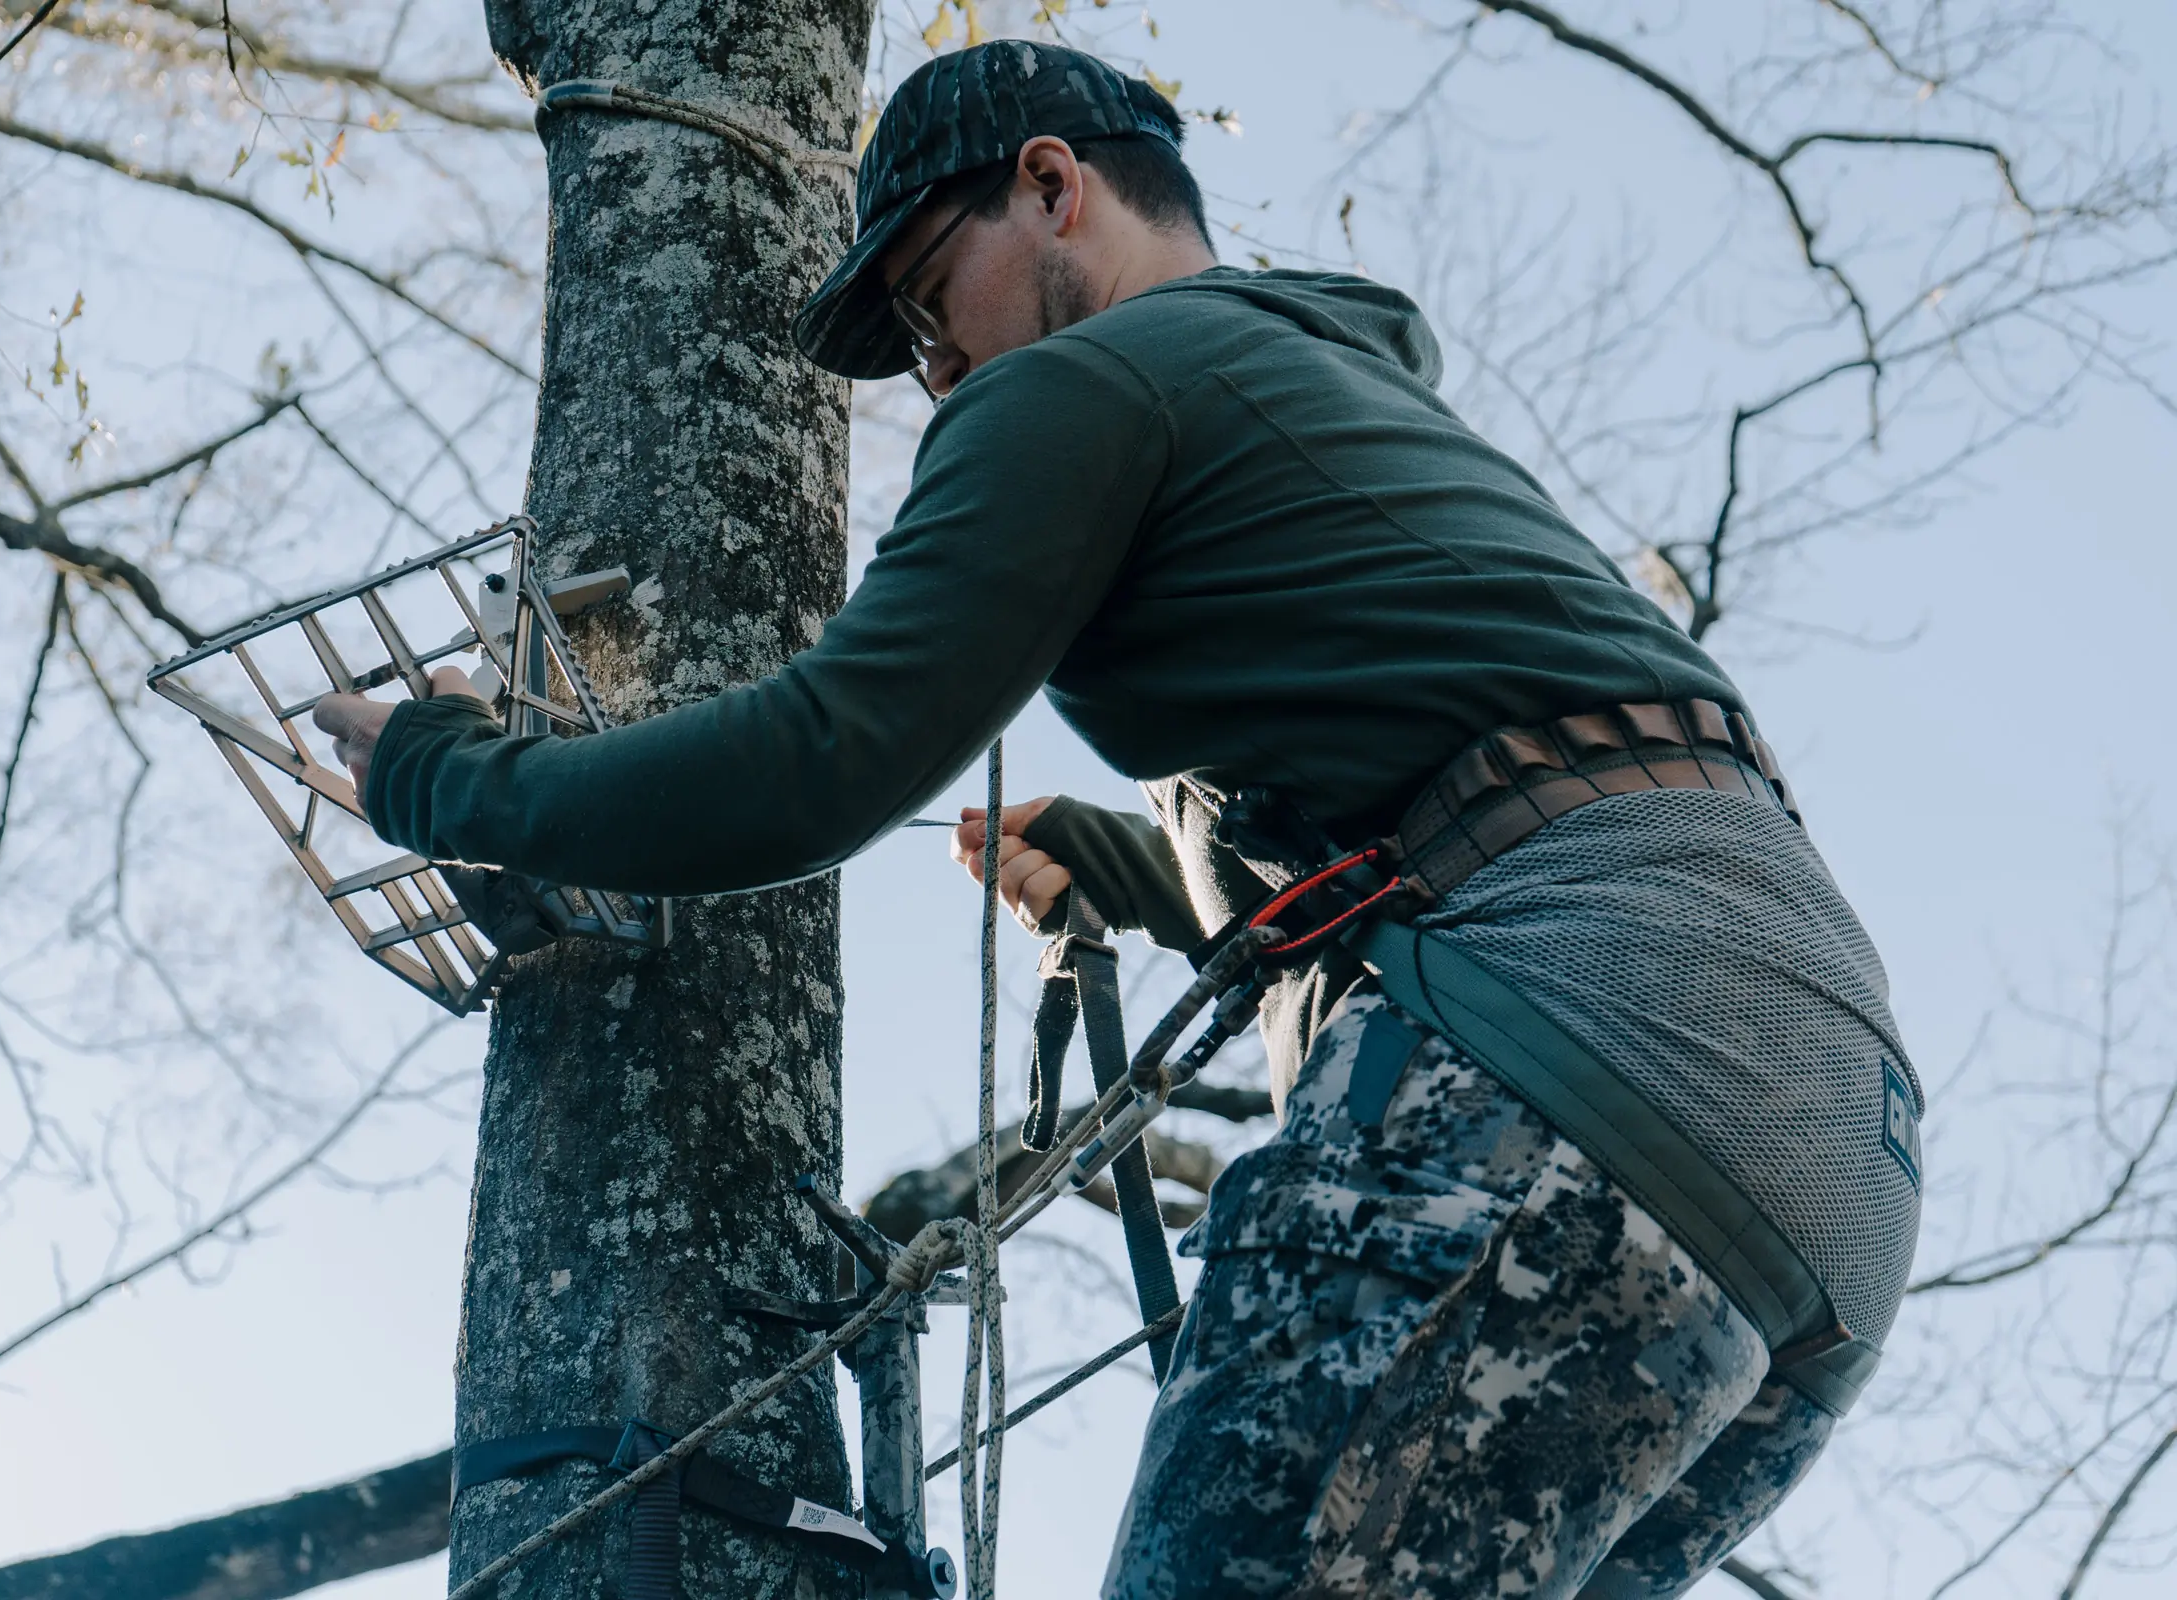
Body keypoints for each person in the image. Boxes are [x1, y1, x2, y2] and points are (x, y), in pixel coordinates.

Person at [314, 40, 1921, 1599]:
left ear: (1051, 186)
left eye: (936, 303)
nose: (940, 373)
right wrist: (1158, 876)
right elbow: (1475, 760)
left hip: (1589, 1050)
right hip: (1816, 1176)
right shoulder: (1310, 378)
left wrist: (445, 778)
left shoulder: (1084, 386)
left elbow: (820, 755)